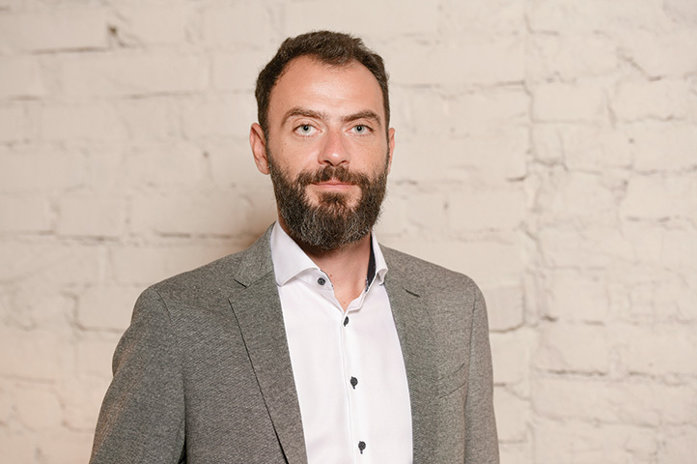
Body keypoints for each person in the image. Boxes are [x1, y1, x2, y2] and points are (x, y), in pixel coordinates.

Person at [89, 31, 499, 464]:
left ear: (389, 149)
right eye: (306, 127)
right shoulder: (176, 320)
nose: (335, 154)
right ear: (261, 148)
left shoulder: (456, 306)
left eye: (359, 128)